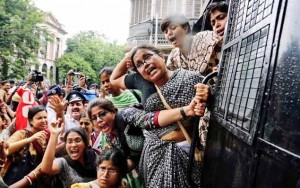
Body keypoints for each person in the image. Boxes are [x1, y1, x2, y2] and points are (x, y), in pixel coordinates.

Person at [110, 44, 209, 187]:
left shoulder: (190, 79)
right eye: (139, 64)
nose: (145, 64)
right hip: (155, 155)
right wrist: (131, 53)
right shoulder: (141, 81)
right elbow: (114, 79)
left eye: (147, 57)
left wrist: (208, 93)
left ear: (161, 56)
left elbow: (214, 103)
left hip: (188, 153)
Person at [1, 106, 50, 186]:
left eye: (45, 117)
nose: (44, 120)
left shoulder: (47, 135)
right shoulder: (22, 134)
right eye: (39, 118)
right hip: (17, 179)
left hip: (37, 180)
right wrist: (30, 139)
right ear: (30, 121)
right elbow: (6, 149)